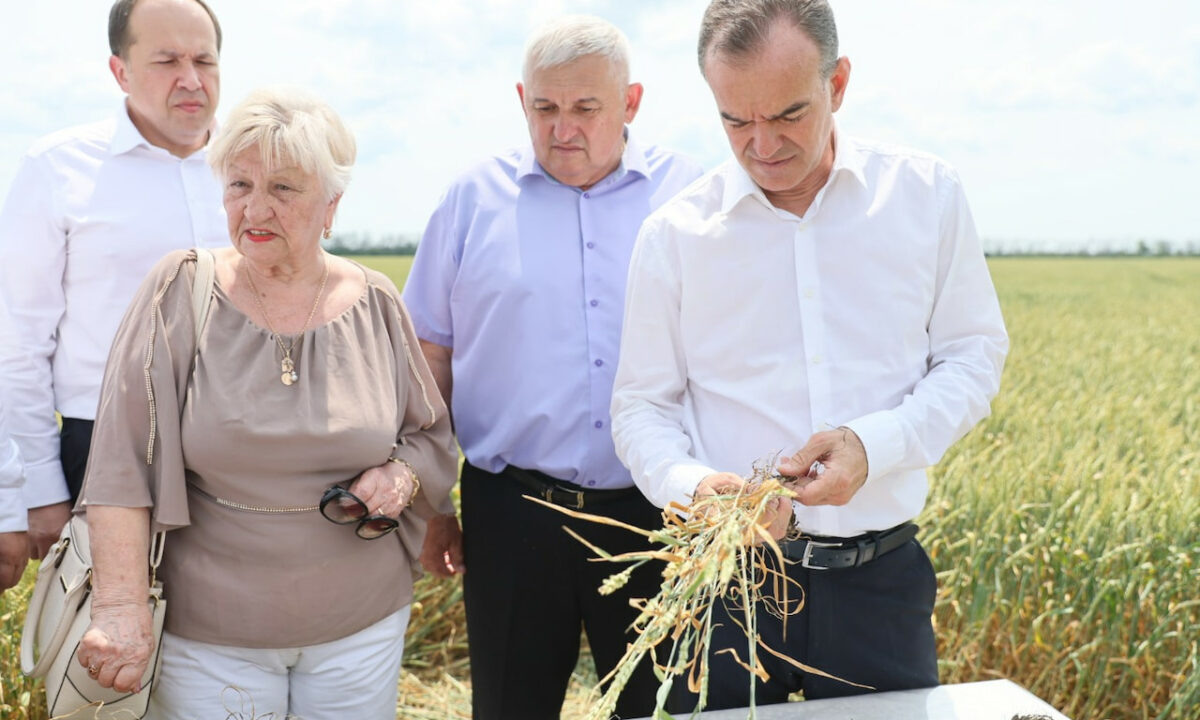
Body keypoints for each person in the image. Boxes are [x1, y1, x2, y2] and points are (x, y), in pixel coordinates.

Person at [611, 0, 1009, 710]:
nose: (762, 144)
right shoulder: (674, 236)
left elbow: (972, 357)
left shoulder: (926, 196)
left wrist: (873, 446)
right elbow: (641, 407)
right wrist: (696, 488)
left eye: (788, 114)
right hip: (726, 587)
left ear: (838, 83)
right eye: (736, 120)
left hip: (879, 586)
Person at [73, 87, 457, 719]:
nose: (255, 208)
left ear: (331, 204)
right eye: (239, 184)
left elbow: (429, 435)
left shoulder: (377, 301)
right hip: (208, 636)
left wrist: (402, 476)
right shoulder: (180, 290)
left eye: (283, 188)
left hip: (361, 629)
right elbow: (120, 461)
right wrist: (120, 608)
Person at [403, 15, 704, 720]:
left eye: (585, 108)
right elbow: (428, 354)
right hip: (513, 513)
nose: (562, 129)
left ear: (631, 103)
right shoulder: (471, 200)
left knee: (662, 710)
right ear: (522, 100)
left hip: (660, 513)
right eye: (545, 107)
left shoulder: (692, 196)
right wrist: (432, 504)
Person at [0, 0, 227, 561]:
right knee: (113, 613)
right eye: (167, 61)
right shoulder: (57, 167)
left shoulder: (253, 165)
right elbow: (18, 341)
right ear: (119, 71)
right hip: (104, 447)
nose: (191, 79)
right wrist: (40, 489)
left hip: (242, 444)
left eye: (204, 59)